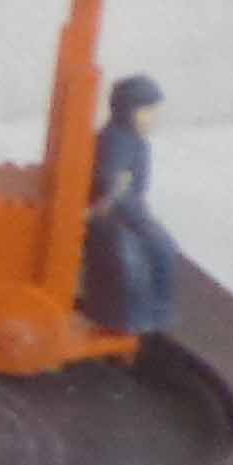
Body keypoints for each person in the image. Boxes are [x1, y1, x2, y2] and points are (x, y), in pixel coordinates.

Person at [84, 74, 178, 336]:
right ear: (127, 110)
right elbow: (113, 185)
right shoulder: (118, 140)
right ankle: (146, 312)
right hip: (115, 212)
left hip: (128, 208)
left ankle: (155, 310)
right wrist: (139, 217)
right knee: (158, 249)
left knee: (162, 249)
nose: (152, 118)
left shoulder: (135, 140)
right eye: (146, 111)